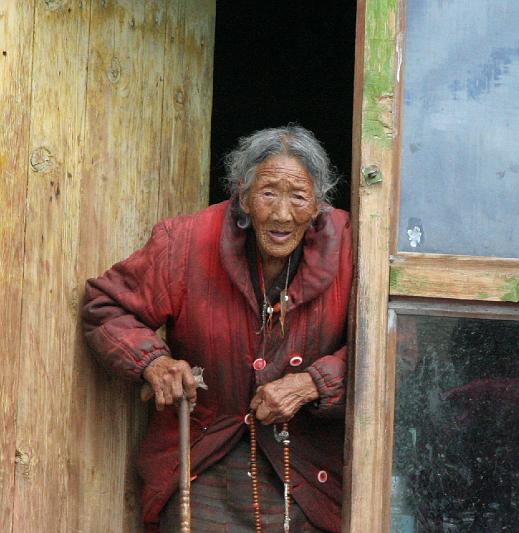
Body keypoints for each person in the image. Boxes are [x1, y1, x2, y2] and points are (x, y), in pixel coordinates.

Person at [82, 125, 352, 532]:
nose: (282, 214)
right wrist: (153, 363)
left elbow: (396, 346)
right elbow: (106, 306)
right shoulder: (187, 241)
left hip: (311, 468)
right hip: (207, 449)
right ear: (242, 195)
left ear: (318, 205)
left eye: (298, 197)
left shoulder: (351, 247)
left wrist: (315, 383)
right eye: (268, 194)